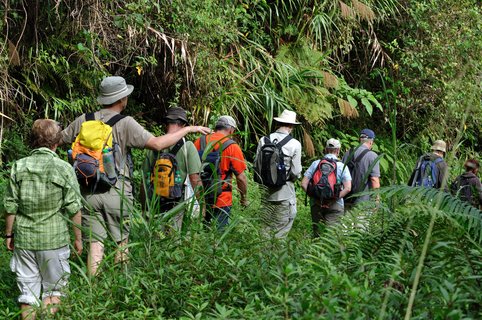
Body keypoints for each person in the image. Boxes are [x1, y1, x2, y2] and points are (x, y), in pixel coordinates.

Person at [61, 76, 210, 275]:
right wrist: (189, 129)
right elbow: (157, 143)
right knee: (121, 243)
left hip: (88, 191)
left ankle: (93, 291)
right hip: (117, 192)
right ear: (122, 99)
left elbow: (59, 138)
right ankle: (123, 287)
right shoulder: (125, 123)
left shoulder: (84, 119)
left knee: (95, 245)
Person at [4, 119, 83, 319]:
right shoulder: (64, 168)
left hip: (25, 239)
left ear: (33, 141)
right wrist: (78, 239)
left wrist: (9, 235)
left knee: (27, 292)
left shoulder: (18, 167)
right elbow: (74, 207)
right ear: (56, 142)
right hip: (54, 240)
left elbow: (11, 206)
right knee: (55, 290)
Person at [142, 107, 203, 232]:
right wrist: (202, 205)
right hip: (176, 205)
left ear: (166, 124)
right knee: (172, 243)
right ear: (184, 125)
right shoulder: (188, 146)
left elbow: (143, 180)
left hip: (154, 204)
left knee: (153, 242)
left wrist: (144, 205)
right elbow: (194, 179)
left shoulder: (154, 145)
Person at [194, 115, 248, 230]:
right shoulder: (232, 146)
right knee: (218, 238)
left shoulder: (199, 141)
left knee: (202, 235)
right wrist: (243, 198)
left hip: (201, 196)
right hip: (222, 199)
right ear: (231, 130)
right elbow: (241, 178)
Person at [255, 110, 302, 238]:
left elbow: (256, 165)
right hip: (285, 192)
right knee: (282, 227)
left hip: (266, 192)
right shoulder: (295, 144)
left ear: (279, 123)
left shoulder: (263, 140)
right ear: (291, 126)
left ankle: (262, 254)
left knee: (265, 227)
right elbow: (296, 171)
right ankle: (275, 255)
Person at [302, 138, 352, 237]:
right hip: (335, 205)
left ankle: (315, 252)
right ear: (338, 150)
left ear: (325, 149)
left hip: (316, 205)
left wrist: (316, 199)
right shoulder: (342, 166)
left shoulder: (315, 164)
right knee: (332, 237)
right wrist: (333, 200)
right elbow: (348, 188)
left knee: (317, 235)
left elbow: (303, 184)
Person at [342, 128, 380, 210]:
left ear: (360, 139)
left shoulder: (348, 153)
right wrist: (377, 200)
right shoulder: (372, 156)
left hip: (346, 198)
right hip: (363, 202)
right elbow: (374, 179)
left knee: (346, 222)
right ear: (371, 141)